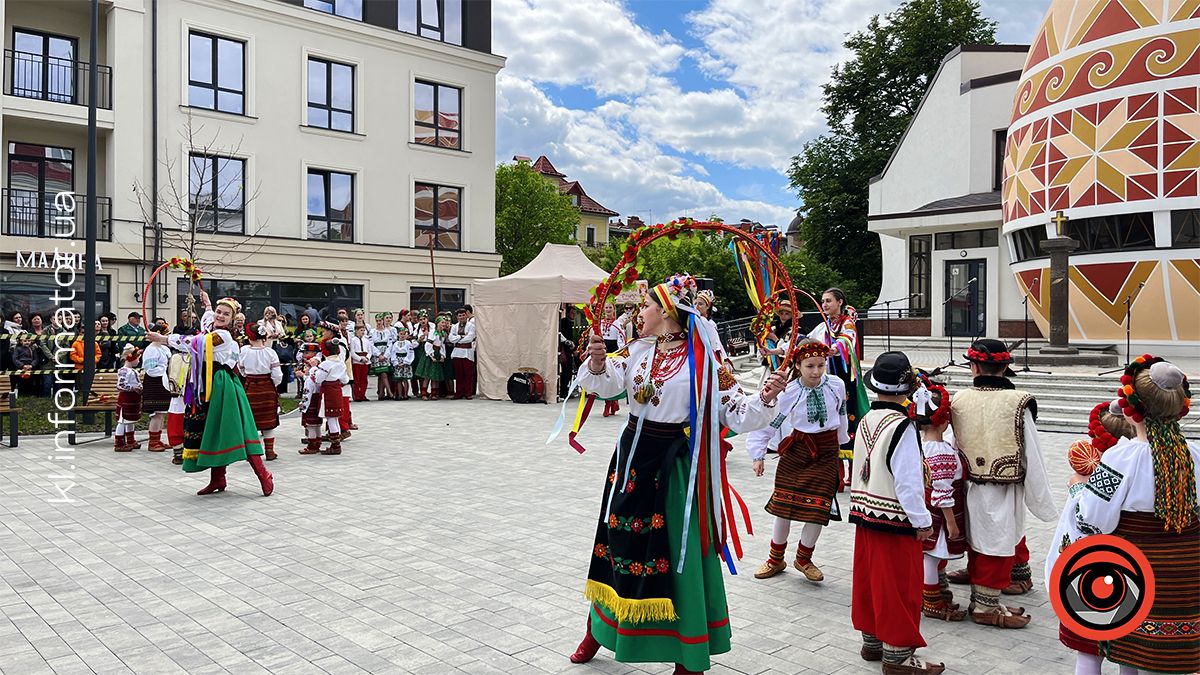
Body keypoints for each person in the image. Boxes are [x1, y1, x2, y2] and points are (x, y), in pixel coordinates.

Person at [568, 273, 787, 674]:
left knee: (676, 553)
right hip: (631, 461)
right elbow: (608, 384)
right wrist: (598, 363)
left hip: (673, 470)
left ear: (667, 311)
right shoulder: (637, 351)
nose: (639, 314)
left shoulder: (704, 360)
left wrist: (766, 397)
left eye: (646, 306)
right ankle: (598, 630)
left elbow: (735, 412)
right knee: (617, 543)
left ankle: (688, 654)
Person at [1075, 356, 1199, 675]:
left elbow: (1092, 520)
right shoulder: (1195, 455)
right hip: (1188, 574)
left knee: (1131, 655)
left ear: (1133, 408)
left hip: (1137, 573)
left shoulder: (1120, 458)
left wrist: (1078, 491)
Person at [949, 339, 1055, 628]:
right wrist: (1039, 497)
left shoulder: (958, 399)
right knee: (998, 536)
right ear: (1006, 367)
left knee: (983, 536)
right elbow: (1032, 452)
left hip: (969, 483)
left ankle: (990, 594)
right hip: (1005, 485)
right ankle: (985, 605)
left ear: (973, 366)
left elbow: (952, 443)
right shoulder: (1019, 402)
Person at [849, 351, 943, 675]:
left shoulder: (866, 419)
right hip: (894, 518)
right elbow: (908, 482)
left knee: (869, 580)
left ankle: (872, 641)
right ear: (907, 389)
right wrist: (923, 521)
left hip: (865, 513)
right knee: (899, 586)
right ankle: (898, 656)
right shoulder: (902, 426)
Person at [145, 292, 273, 497]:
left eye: (225, 314)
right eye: (219, 312)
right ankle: (218, 478)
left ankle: (263, 474)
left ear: (233, 319)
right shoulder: (212, 326)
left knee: (235, 429)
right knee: (211, 430)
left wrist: (163, 339)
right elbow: (207, 320)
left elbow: (194, 342)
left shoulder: (223, 336)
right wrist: (207, 304)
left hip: (221, 385)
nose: (220, 316)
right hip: (206, 384)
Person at [746, 338, 849, 583]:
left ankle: (803, 558)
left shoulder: (836, 385)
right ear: (798, 366)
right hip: (797, 450)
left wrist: (843, 443)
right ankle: (775, 558)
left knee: (818, 508)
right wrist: (757, 454)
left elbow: (841, 416)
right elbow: (770, 422)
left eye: (821, 365)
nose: (816, 371)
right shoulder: (789, 391)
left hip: (826, 451)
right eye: (810, 366)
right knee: (783, 506)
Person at [1045, 400, 1135, 675]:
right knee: (1128, 656)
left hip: (1088, 574)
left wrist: (1076, 491)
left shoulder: (1097, 478)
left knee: (1088, 654)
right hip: (1131, 574)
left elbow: (1087, 522)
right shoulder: (1139, 466)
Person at [909, 376, 967, 622]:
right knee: (931, 557)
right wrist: (952, 523)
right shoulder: (942, 452)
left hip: (923, 508)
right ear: (944, 422)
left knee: (928, 556)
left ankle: (930, 596)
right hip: (938, 517)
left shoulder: (918, 446)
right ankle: (931, 602)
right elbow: (942, 493)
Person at [238, 323, 283, 461]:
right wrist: (272, 384)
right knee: (268, 421)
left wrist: (248, 377)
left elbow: (241, 369)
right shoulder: (270, 352)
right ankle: (269, 451)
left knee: (250, 420)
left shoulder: (244, 351)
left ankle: (251, 453)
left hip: (251, 387)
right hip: (267, 388)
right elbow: (277, 375)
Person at [299, 338, 348, 455]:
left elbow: (318, 379)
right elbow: (345, 379)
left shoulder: (326, 364)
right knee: (335, 418)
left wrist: (313, 371)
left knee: (330, 417)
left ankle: (335, 446)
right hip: (337, 390)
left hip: (328, 392)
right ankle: (336, 443)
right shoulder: (341, 363)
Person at [141, 319, 173, 452]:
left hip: (163, 381)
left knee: (162, 412)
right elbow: (150, 369)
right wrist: (161, 369)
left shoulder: (163, 349)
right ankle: (152, 441)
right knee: (156, 413)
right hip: (155, 381)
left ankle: (158, 438)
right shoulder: (151, 350)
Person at [599, 302, 630, 417]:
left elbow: (621, 340)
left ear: (613, 309)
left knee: (613, 378)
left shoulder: (618, 323)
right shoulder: (601, 323)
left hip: (613, 354)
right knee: (604, 378)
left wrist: (620, 354)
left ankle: (612, 402)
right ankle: (609, 403)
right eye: (606, 307)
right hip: (603, 351)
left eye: (610, 307)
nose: (607, 309)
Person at [114, 344, 144, 452]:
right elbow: (120, 385)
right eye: (137, 359)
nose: (138, 361)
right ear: (131, 358)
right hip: (126, 400)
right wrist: (133, 388)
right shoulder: (124, 371)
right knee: (122, 421)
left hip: (133, 400)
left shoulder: (134, 371)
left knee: (130, 421)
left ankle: (131, 440)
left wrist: (140, 387)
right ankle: (119, 443)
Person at [448, 307, 476, 399]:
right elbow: (451, 339)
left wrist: (458, 339)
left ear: (466, 316)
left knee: (468, 374)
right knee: (459, 374)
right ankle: (459, 393)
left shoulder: (471, 326)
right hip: (457, 353)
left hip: (467, 352)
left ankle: (468, 393)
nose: (462, 317)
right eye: (460, 316)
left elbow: (470, 337)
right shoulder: (454, 326)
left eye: (463, 315)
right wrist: (461, 336)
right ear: (457, 317)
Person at [370, 313, 396, 400]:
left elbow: (390, 344)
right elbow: (371, 344)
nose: (378, 322)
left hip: (385, 354)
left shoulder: (387, 331)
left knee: (384, 374)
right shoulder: (373, 331)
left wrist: (385, 355)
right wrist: (378, 354)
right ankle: (389, 392)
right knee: (382, 374)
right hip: (377, 355)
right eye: (377, 321)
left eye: (380, 321)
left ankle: (381, 393)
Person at [386, 328, 415, 400]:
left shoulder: (408, 343)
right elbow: (393, 353)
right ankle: (400, 394)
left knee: (405, 379)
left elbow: (410, 353)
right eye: (401, 334)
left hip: (405, 361)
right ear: (398, 334)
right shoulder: (395, 344)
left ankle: (405, 394)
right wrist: (395, 362)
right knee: (398, 379)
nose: (402, 335)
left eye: (404, 334)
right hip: (398, 361)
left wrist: (406, 362)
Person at [349, 324, 372, 403]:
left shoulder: (366, 340)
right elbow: (352, 352)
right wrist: (359, 359)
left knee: (364, 379)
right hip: (357, 362)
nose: (363, 332)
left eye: (364, 330)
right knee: (357, 379)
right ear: (356, 331)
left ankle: (363, 394)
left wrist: (367, 358)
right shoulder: (353, 340)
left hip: (365, 360)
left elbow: (369, 351)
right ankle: (357, 395)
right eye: (361, 330)